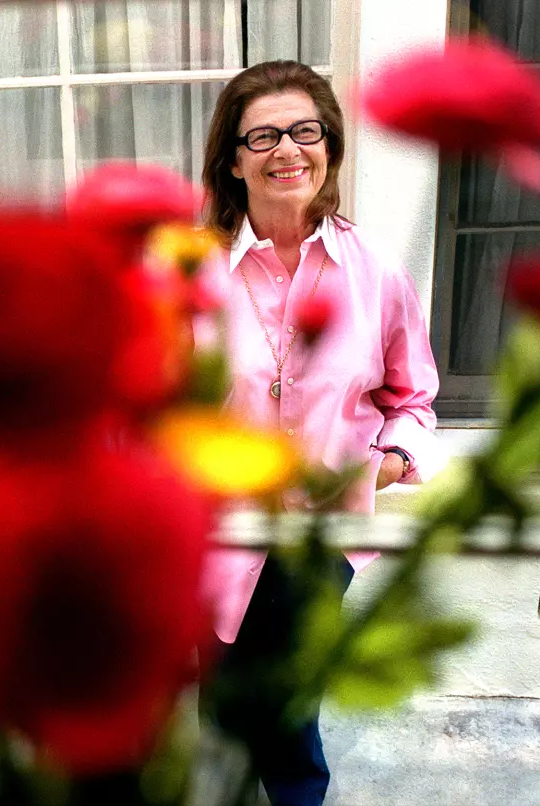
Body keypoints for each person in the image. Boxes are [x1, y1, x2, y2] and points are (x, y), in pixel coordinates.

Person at [197, 60, 441, 805]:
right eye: (262, 135)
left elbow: (417, 397)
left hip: (323, 535)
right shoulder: (189, 273)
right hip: (216, 532)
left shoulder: (376, 274)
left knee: (289, 699)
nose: (286, 151)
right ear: (233, 160)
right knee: (225, 700)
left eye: (305, 131)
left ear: (329, 147)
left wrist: (391, 463)